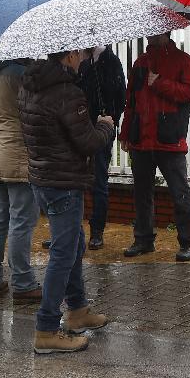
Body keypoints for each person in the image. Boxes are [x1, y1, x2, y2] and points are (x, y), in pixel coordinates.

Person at [19, 49, 117, 353]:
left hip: (42, 179)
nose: (84, 58)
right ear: (71, 54)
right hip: (65, 183)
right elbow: (87, 141)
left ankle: (77, 310)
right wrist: (105, 126)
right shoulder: (67, 93)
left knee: (74, 243)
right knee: (63, 254)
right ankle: (47, 328)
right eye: (81, 54)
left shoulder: (28, 86)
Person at [120, 32, 190, 262]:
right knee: (141, 194)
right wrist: (126, 133)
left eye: (154, 32)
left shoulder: (183, 60)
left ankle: (189, 242)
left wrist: (160, 83)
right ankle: (143, 239)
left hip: (169, 139)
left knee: (180, 192)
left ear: (165, 32)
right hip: (141, 140)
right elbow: (131, 101)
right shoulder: (140, 63)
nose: (149, 36)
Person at [0, 59, 41, 301]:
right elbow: (36, 111)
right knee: (21, 221)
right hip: (20, 155)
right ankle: (23, 283)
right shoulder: (22, 74)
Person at [78, 46, 126, 250]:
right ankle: (70, 230)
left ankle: (97, 231)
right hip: (79, 129)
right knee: (74, 180)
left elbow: (121, 96)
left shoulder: (111, 62)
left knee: (99, 180)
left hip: (101, 129)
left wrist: (110, 119)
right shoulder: (81, 63)